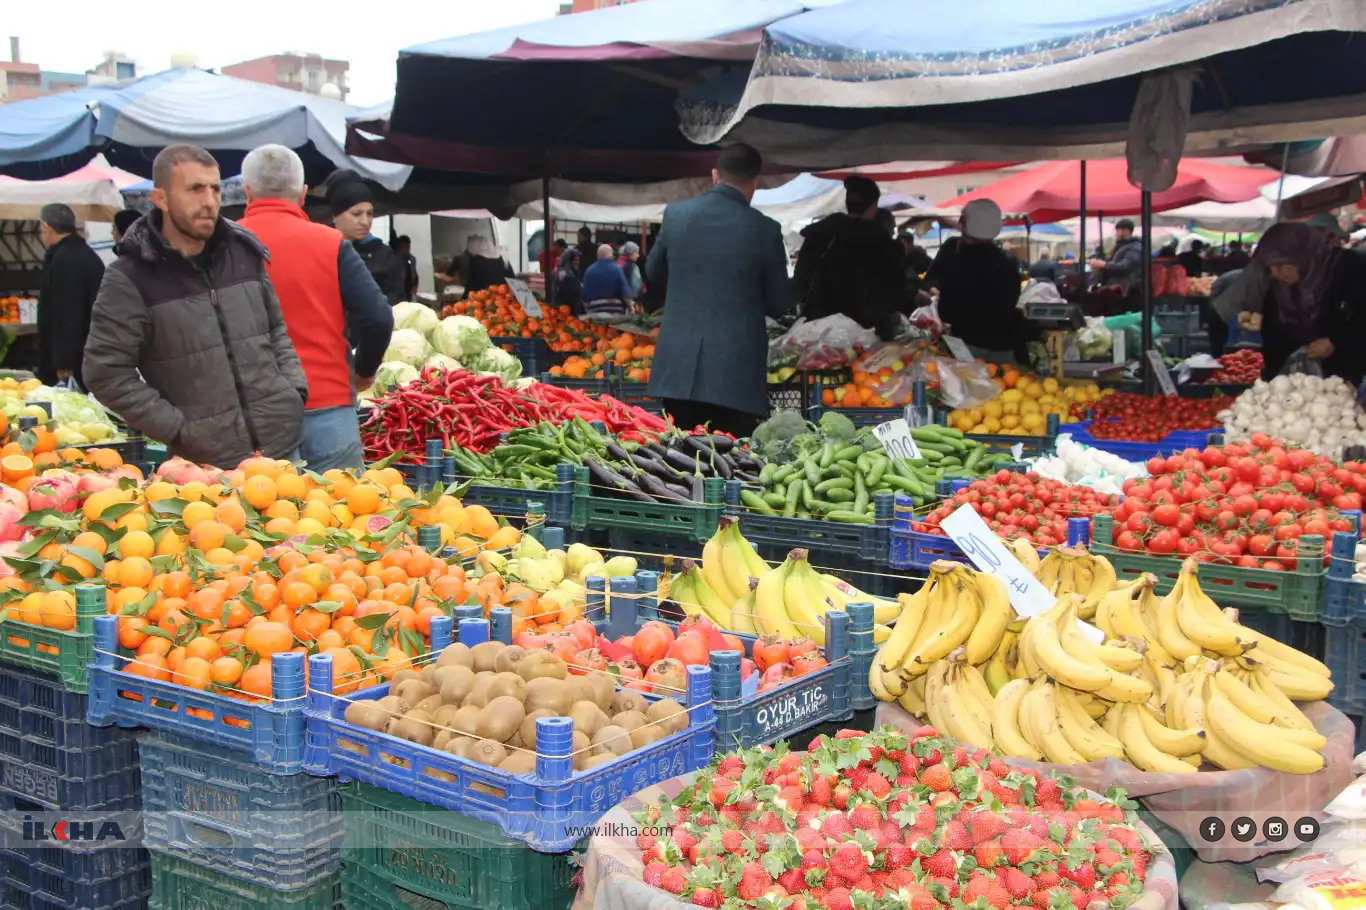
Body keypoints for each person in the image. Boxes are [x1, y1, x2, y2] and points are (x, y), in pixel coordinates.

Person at [83, 144, 307, 469]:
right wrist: (178, 429)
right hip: (205, 469)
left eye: (215, 189)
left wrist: (292, 392)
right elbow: (104, 372)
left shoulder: (243, 252)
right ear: (160, 198)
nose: (209, 201)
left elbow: (275, 330)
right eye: (194, 189)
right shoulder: (130, 277)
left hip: (283, 448)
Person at [237, 145, 395, 473]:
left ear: (247, 191)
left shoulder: (223, 245)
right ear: (304, 194)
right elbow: (378, 317)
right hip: (328, 404)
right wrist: (363, 371)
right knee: (341, 515)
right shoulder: (330, 243)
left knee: (264, 518)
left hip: (250, 412)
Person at [645, 143, 790, 436]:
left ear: (715, 175)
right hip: (736, 374)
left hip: (679, 367)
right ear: (755, 182)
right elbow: (779, 302)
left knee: (679, 463)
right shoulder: (765, 229)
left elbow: (652, 274)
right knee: (732, 466)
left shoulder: (676, 215)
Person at [792, 175, 905, 339]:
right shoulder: (882, 242)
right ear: (873, 205)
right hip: (868, 332)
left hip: (820, 330)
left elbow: (801, 279)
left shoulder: (819, 235)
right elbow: (896, 293)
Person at [1254, 221, 1366, 383]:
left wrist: (1337, 341)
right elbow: (1273, 337)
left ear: (1301, 256)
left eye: (1280, 264)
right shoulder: (1278, 288)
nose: (1275, 273)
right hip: (1299, 385)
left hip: (1349, 376)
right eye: (1270, 266)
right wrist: (1274, 381)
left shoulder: (1351, 268)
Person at [926, 199, 1028, 363]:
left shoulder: (954, 252)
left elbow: (936, 289)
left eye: (962, 218)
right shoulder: (1008, 262)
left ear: (966, 223)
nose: (959, 221)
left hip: (967, 347)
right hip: (1004, 346)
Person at [36, 203, 104, 388]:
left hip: (75, 361)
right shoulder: (85, 254)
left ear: (47, 227)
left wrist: (63, 363)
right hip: (91, 352)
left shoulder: (65, 260)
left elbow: (66, 314)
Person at [328, 171, 405, 305]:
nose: (365, 221)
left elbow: (396, 301)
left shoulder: (384, 255)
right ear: (335, 216)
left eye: (370, 214)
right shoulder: (319, 251)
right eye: (356, 214)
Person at [581, 244, 635, 320]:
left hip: (594, 313)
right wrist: (631, 306)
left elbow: (584, 297)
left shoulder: (589, 271)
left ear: (597, 256)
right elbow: (626, 294)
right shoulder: (617, 269)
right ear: (611, 256)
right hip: (615, 314)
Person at [553, 247, 583, 312]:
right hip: (566, 310)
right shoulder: (566, 276)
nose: (578, 262)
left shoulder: (573, 273)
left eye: (578, 260)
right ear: (568, 261)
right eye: (575, 260)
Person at [392, 235, 419, 300]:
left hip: (408, 293)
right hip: (396, 293)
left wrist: (415, 286)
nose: (405, 250)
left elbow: (414, 274)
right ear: (398, 247)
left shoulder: (412, 259)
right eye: (403, 247)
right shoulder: (393, 260)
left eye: (407, 247)